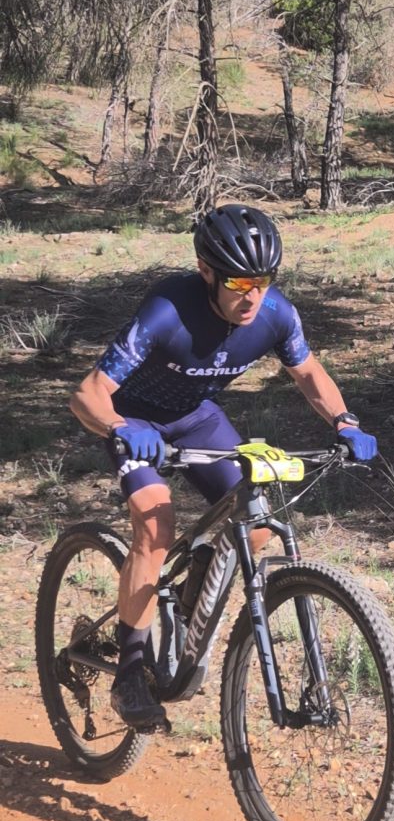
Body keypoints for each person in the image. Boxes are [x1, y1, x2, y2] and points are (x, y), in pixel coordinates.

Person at [70, 204, 377, 728]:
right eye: (237, 282)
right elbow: (87, 394)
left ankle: (191, 600)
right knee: (155, 525)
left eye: (263, 281)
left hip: (196, 418)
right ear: (206, 271)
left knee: (256, 526)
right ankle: (130, 673)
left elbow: (307, 372)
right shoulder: (167, 310)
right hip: (134, 419)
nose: (251, 295)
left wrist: (344, 422)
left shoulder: (276, 314)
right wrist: (119, 427)